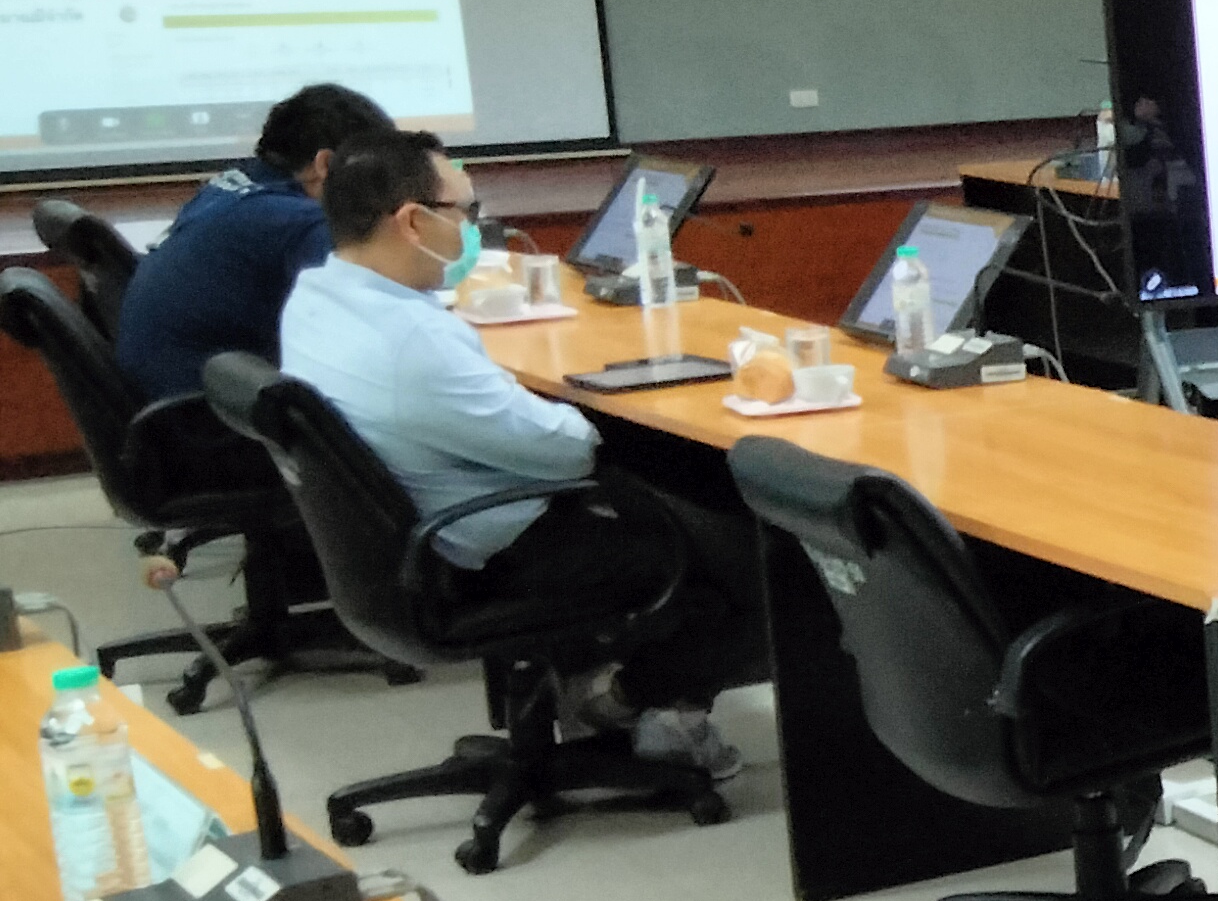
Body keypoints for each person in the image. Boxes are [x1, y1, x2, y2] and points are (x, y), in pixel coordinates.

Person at [276, 131, 766, 779]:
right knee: (751, 555)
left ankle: (600, 685)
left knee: (668, 481)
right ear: (413, 221)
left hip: (406, 550)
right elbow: (568, 453)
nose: (472, 229)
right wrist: (589, 413)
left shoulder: (316, 297)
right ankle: (630, 703)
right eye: (465, 211)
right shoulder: (412, 342)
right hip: (484, 552)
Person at [116, 83, 392, 401]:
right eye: (378, 174)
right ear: (327, 166)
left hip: (166, 390)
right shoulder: (296, 221)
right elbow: (375, 322)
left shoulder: (233, 185)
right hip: (203, 412)